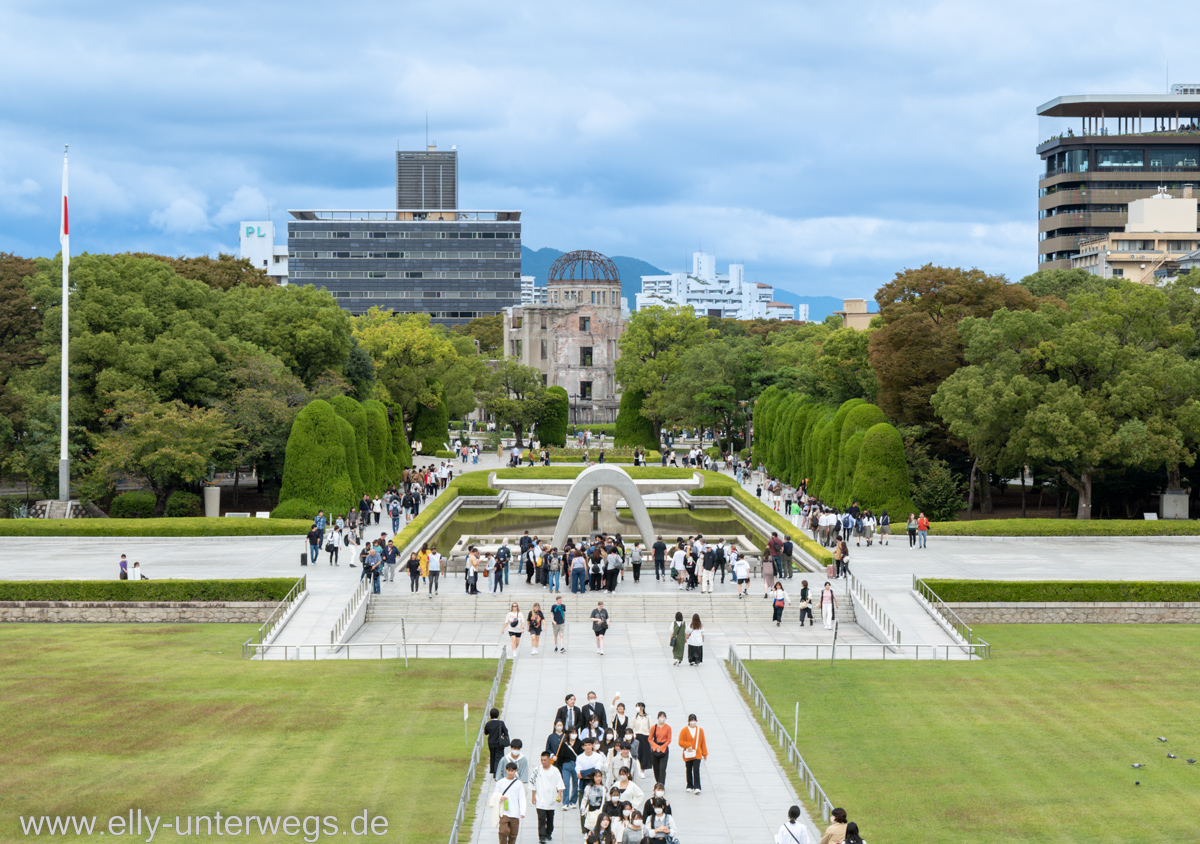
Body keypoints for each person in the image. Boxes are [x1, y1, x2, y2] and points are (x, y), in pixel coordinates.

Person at [531, 751, 565, 844]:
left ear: (549, 760)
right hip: (540, 798)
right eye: (541, 760)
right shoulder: (537, 770)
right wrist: (533, 796)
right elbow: (533, 783)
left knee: (550, 818)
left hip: (551, 798)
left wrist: (559, 794)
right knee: (541, 818)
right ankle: (542, 836)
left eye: (545, 760)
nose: (543, 762)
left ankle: (549, 832)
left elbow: (559, 783)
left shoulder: (555, 770)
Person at [493, 761, 526, 844]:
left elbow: (522, 798)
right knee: (503, 831)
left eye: (512, 771)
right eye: (509, 770)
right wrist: (501, 798)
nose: (510, 772)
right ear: (506, 770)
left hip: (515, 813)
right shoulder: (500, 782)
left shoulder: (519, 784)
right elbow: (495, 794)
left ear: (515, 771)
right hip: (504, 812)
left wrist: (522, 811)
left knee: (513, 835)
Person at [677, 713, 707, 793]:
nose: (693, 722)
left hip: (697, 753)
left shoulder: (700, 730)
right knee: (689, 769)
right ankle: (689, 785)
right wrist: (688, 745)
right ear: (688, 721)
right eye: (691, 720)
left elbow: (703, 742)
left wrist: (705, 753)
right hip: (688, 754)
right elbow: (680, 742)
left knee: (696, 769)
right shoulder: (684, 730)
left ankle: (697, 786)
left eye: (694, 720)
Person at [484, 708, 510, 779]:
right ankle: (497, 772)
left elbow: (486, 732)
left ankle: (493, 770)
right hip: (499, 743)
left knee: (492, 756)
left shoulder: (488, 724)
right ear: (498, 715)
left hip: (491, 743)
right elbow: (506, 731)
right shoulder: (501, 723)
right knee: (498, 758)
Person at [579, 768, 607, 834]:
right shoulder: (588, 787)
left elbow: (607, 800)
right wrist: (582, 808)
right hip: (591, 810)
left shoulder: (604, 788)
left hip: (601, 810)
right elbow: (585, 798)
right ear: (593, 777)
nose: (598, 778)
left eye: (600, 776)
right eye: (596, 776)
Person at [648, 712, 671, 785]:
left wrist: (661, 748)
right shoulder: (654, 727)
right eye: (660, 716)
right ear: (658, 718)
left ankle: (661, 784)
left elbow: (669, 740)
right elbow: (650, 739)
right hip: (655, 747)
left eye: (663, 716)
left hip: (664, 748)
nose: (662, 718)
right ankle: (658, 782)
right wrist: (656, 747)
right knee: (656, 768)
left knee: (662, 768)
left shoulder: (668, 727)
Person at [632, 703, 652, 776]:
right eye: (636, 706)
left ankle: (642, 770)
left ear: (642, 707)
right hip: (637, 736)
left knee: (644, 753)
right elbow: (631, 726)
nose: (637, 708)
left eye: (639, 706)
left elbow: (651, 727)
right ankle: (637, 768)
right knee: (638, 752)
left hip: (645, 736)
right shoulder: (635, 717)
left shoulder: (648, 717)